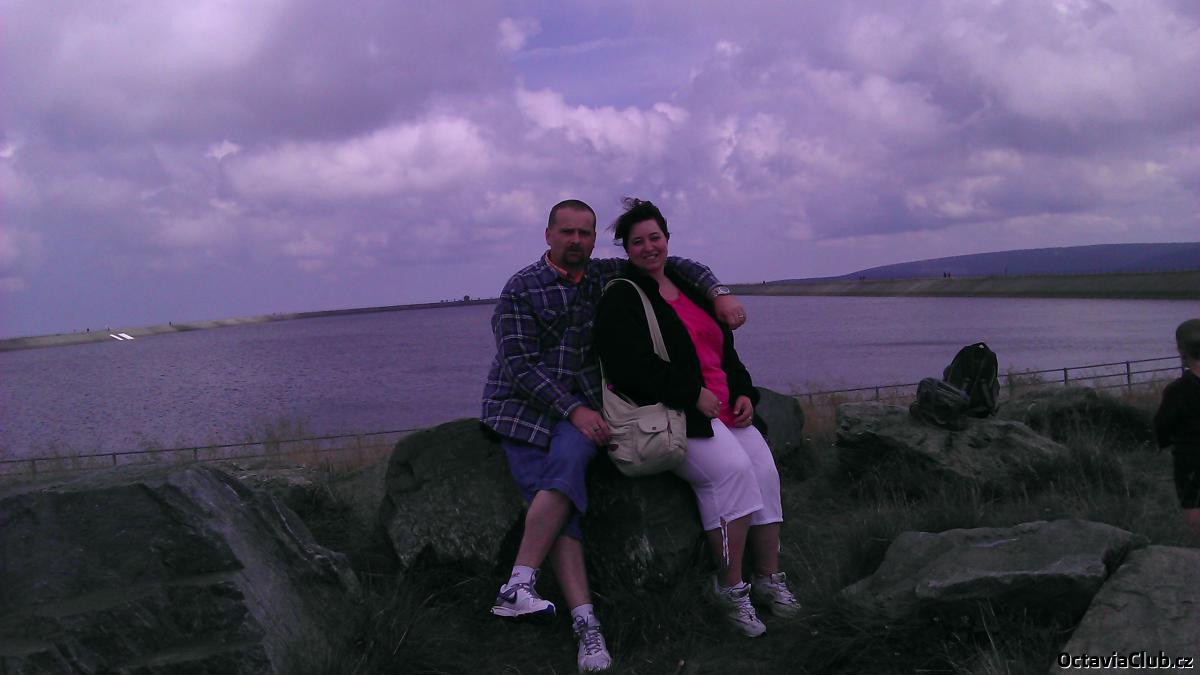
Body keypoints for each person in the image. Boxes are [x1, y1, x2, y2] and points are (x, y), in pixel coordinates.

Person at [481, 198, 747, 672]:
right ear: (548, 235)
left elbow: (673, 263)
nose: (575, 240)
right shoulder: (521, 288)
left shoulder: (603, 276)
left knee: (565, 476)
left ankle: (520, 586)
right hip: (525, 410)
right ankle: (583, 621)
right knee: (556, 493)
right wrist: (574, 409)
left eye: (584, 233)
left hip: (581, 410)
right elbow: (519, 365)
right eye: (566, 232)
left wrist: (719, 291)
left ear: (594, 239)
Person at [593, 198, 800, 638]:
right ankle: (729, 589)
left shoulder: (688, 286)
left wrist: (743, 392)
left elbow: (723, 351)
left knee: (765, 473)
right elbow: (628, 365)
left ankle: (768, 577)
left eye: (655, 237)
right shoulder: (622, 296)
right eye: (637, 242)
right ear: (625, 249)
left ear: (667, 239)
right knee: (732, 473)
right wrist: (690, 394)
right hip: (678, 414)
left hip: (726, 410)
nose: (649, 247)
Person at [1154, 318, 1200, 536]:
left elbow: (1162, 427)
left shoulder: (1177, 390)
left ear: (1181, 351)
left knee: (1194, 505)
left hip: (1190, 459)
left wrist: (1164, 444)